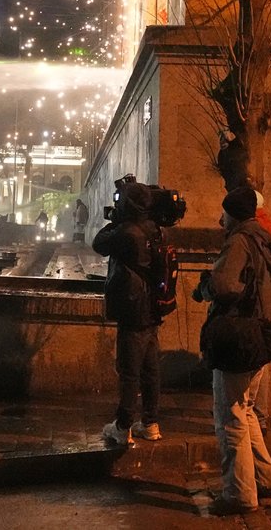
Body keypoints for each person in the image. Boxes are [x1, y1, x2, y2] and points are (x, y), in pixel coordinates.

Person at [195, 187, 271, 516]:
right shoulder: (267, 239)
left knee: (230, 417)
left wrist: (206, 285)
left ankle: (239, 494)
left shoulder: (239, 241)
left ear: (232, 213)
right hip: (260, 335)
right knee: (246, 414)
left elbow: (224, 285)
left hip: (237, 336)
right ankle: (266, 481)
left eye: (225, 213)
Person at [92, 181, 165, 446]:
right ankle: (151, 422)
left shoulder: (127, 233)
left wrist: (115, 218)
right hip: (152, 307)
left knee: (129, 369)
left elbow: (98, 243)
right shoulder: (154, 229)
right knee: (150, 368)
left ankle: (122, 426)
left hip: (133, 306)